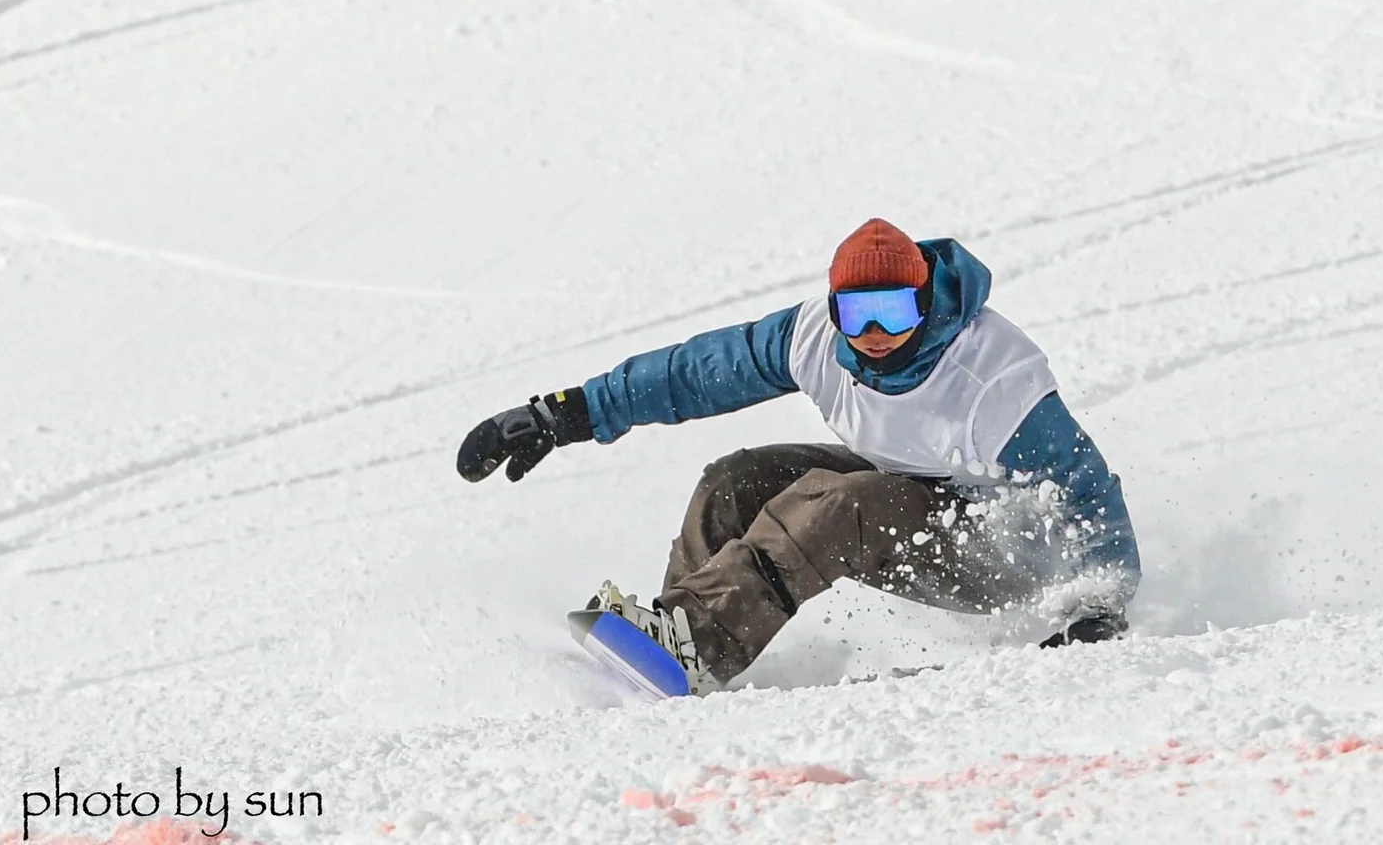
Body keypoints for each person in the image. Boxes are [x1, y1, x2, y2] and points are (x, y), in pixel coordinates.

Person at [457, 218, 1140, 693]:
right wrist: (567, 412)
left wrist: (1101, 606)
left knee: (839, 506)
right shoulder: (814, 336)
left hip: (999, 555)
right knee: (737, 480)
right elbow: (695, 373)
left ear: (926, 301)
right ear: (835, 308)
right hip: (910, 493)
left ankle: (698, 642)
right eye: (859, 314)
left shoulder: (990, 380)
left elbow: (1086, 485)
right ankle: (675, 639)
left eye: (896, 313)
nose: (875, 334)